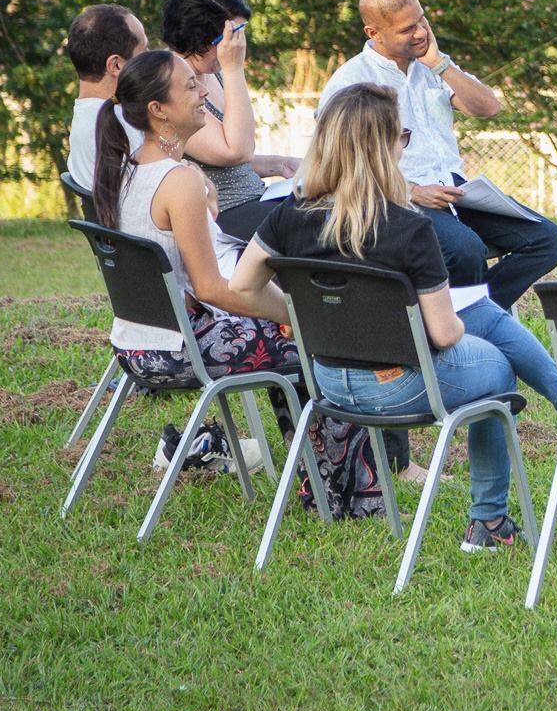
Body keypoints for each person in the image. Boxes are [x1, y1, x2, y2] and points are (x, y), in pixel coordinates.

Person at [235, 84, 557, 551]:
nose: (403, 147)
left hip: (328, 380)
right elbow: (445, 333)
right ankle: (491, 519)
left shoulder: (290, 214)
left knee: (484, 314)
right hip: (397, 386)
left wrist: (300, 317)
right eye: (402, 136)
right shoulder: (409, 229)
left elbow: (242, 285)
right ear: (382, 147)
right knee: (496, 365)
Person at [92, 50, 362, 496]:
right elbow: (212, 287)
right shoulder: (177, 180)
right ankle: (339, 491)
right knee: (319, 343)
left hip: (135, 348)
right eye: (190, 87)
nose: (202, 93)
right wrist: (296, 315)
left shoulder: (126, 170)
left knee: (287, 334)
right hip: (182, 351)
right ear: (159, 111)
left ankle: (318, 479)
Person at [319, 0, 557, 311]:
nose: (420, 32)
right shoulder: (350, 81)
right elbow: (339, 165)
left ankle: (469, 314)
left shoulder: (433, 65)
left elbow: (488, 108)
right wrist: (411, 192)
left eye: (421, 20)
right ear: (374, 33)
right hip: (396, 197)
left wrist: (439, 64)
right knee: (466, 250)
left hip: (453, 188)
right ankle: (471, 325)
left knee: (548, 240)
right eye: (407, 29)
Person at [161, 0, 301, 241]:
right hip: (222, 214)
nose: (238, 43)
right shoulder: (170, 81)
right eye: (232, 34)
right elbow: (236, 151)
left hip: (254, 200)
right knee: (324, 226)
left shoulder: (212, 72)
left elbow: (233, 157)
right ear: (201, 38)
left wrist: (280, 164)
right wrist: (234, 68)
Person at [65, 4, 148, 190]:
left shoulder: (89, 116)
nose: (149, 59)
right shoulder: (112, 127)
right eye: (144, 51)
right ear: (116, 65)